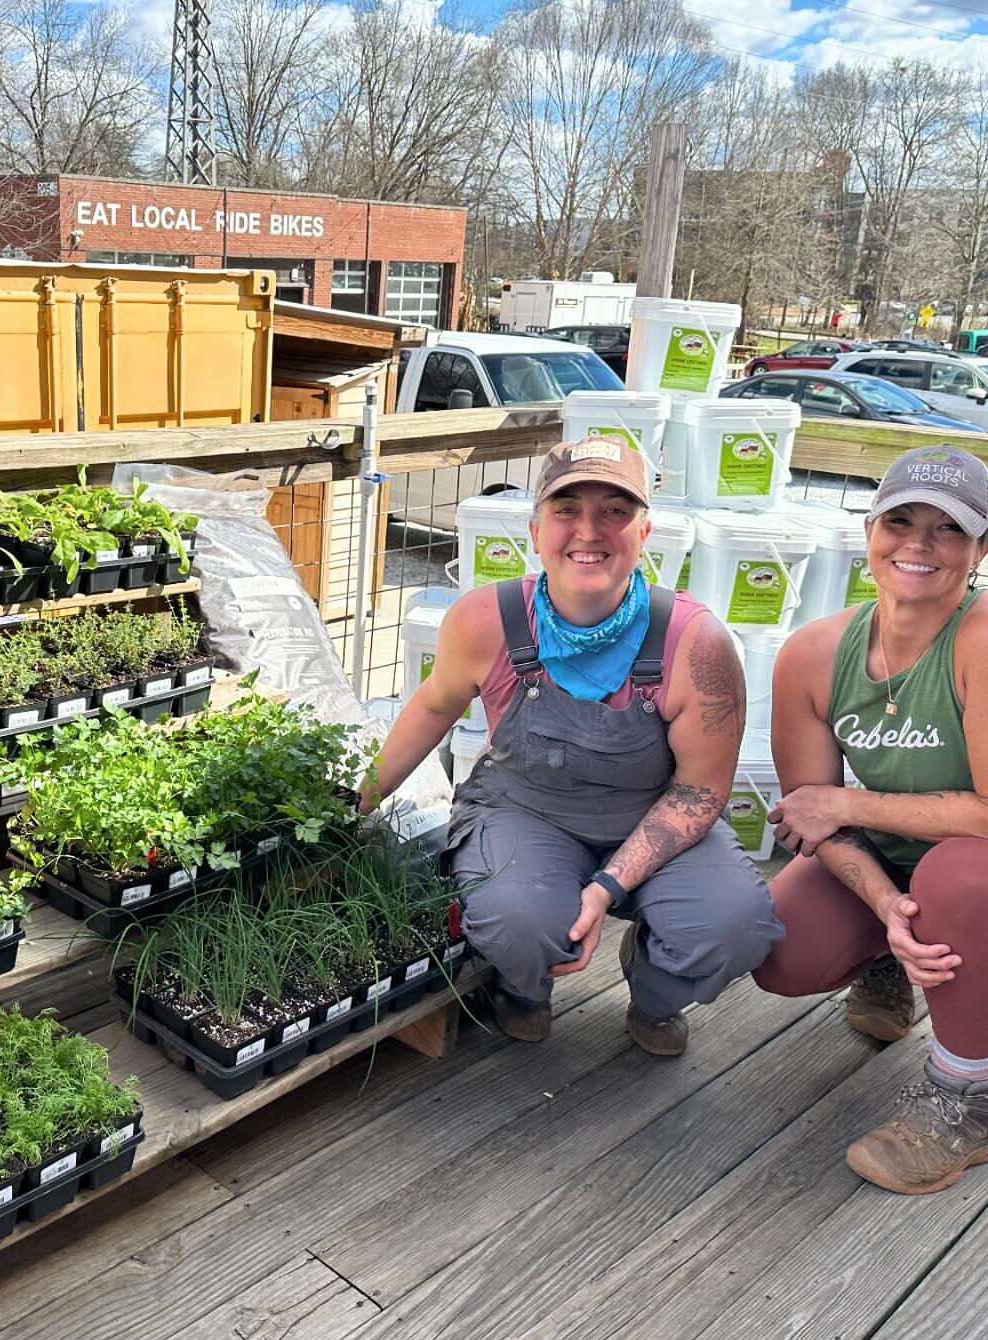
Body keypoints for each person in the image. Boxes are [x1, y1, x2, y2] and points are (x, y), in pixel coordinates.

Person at [359, 436, 782, 1056]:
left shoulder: (697, 646)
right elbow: (431, 708)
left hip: (654, 814)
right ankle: (522, 986)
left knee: (733, 925)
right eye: (566, 509)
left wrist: (608, 885)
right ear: (535, 531)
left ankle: (657, 990)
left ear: (644, 532)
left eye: (615, 510)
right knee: (518, 919)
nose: (589, 529)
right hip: (523, 811)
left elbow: (701, 791)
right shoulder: (485, 621)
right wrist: (355, 802)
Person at [755, 445, 988, 1195]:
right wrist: (887, 908)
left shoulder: (979, 645)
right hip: (895, 865)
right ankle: (895, 960)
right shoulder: (815, 654)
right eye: (901, 520)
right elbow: (814, 823)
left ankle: (965, 1095)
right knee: (780, 948)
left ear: (980, 549)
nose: (919, 545)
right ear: (869, 531)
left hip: (974, 862)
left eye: (948, 529)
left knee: (963, 875)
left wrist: (852, 802)